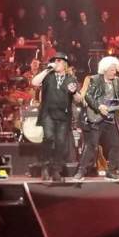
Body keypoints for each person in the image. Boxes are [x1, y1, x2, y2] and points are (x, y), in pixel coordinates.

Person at [74, 56, 119, 181]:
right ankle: (81, 171)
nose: (114, 72)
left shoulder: (118, 81)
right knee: (92, 145)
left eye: (115, 69)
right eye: (112, 70)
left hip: (111, 119)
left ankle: (111, 171)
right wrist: (99, 106)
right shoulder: (95, 79)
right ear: (105, 69)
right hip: (96, 118)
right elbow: (88, 96)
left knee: (115, 144)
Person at [31, 52, 78, 182]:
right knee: (48, 138)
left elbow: (78, 99)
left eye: (59, 61)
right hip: (48, 113)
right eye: (54, 60)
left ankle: (56, 170)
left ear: (65, 64)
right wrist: (47, 69)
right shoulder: (48, 76)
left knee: (60, 143)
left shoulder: (71, 79)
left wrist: (74, 92)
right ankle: (45, 166)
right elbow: (34, 82)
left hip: (63, 115)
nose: (56, 63)